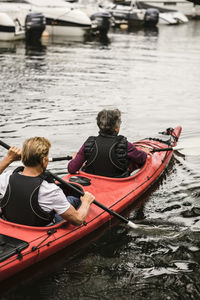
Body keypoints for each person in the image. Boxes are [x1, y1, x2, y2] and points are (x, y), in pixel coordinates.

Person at [0, 137, 95, 227]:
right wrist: (86, 202)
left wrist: (8, 158)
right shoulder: (51, 191)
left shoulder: (7, 178)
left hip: (11, 221)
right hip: (41, 228)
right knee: (73, 198)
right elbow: (78, 220)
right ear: (44, 160)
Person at [68, 109, 150, 178]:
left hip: (92, 181)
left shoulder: (89, 143)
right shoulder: (125, 145)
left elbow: (71, 168)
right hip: (118, 182)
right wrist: (144, 152)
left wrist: (75, 159)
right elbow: (142, 158)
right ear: (116, 127)